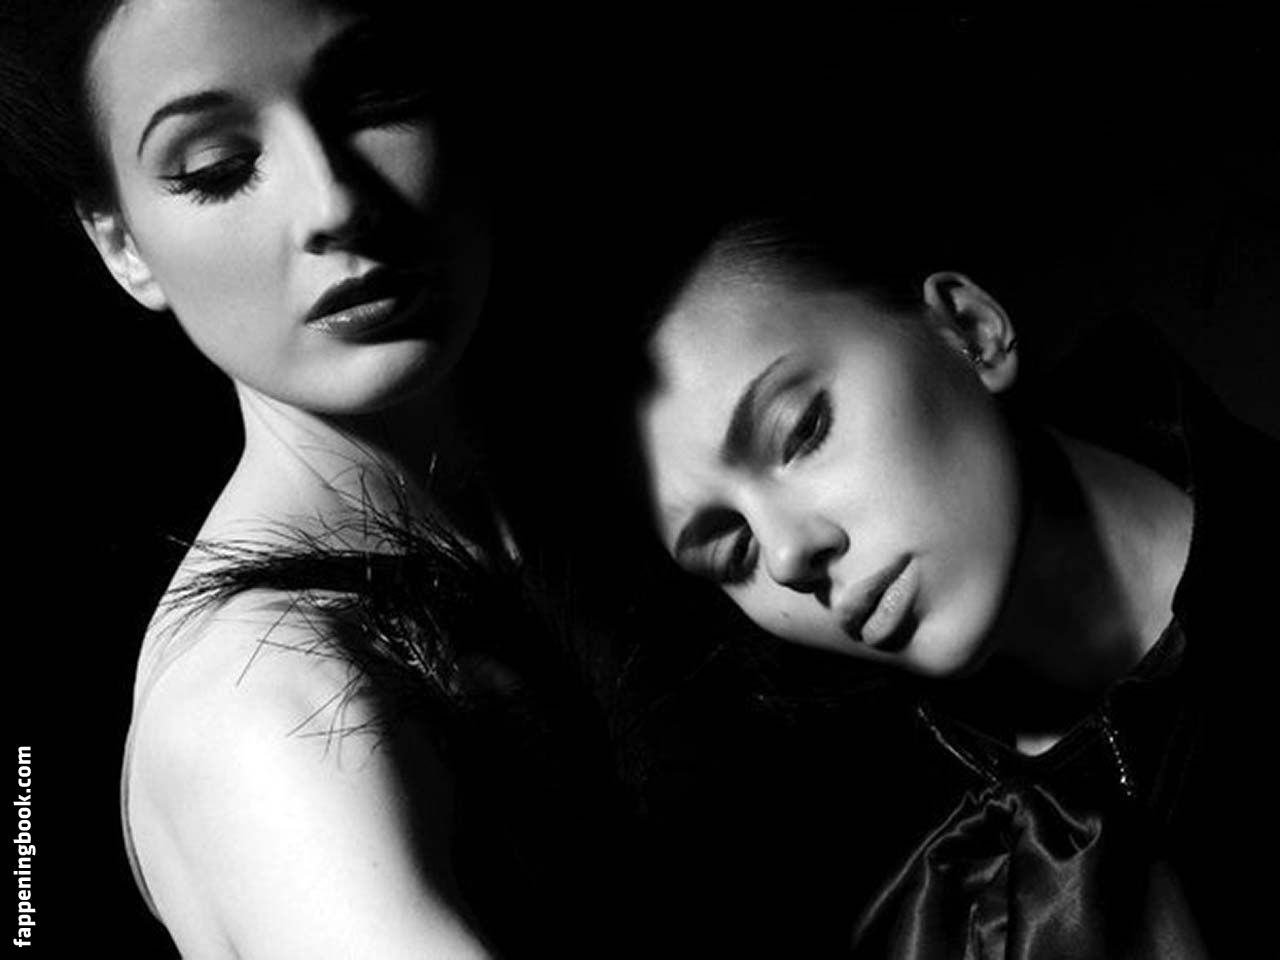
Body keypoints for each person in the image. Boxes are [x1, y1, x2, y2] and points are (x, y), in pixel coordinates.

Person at [2, 1, 633, 956]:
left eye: (376, 101)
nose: (335, 202)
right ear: (123, 246)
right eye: (219, 169)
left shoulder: (593, 492)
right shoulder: (267, 704)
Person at [620, 207, 1279, 957]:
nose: (786, 556)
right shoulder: (880, 882)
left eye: (802, 430)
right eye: (733, 551)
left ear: (969, 330)